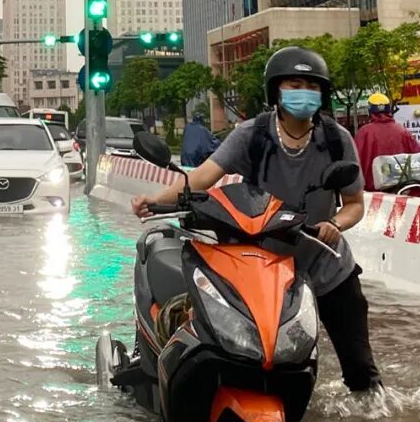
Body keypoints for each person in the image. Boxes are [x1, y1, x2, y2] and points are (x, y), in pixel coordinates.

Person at [131, 46, 382, 394]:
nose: (303, 93)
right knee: (247, 355)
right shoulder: (252, 135)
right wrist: (157, 199)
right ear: (276, 91)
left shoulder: (336, 140)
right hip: (263, 267)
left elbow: (354, 203)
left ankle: (369, 415)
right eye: (294, 85)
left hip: (325, 266)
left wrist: (335, 225)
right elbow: (203, 176)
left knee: (360, 371)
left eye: (312, 86)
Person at [354, 92, 420, 187]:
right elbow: (419, 155)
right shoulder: (402, 130)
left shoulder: (364, 132)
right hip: (402, 186)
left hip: (373, 189)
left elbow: (355, 161)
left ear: (369, 111)